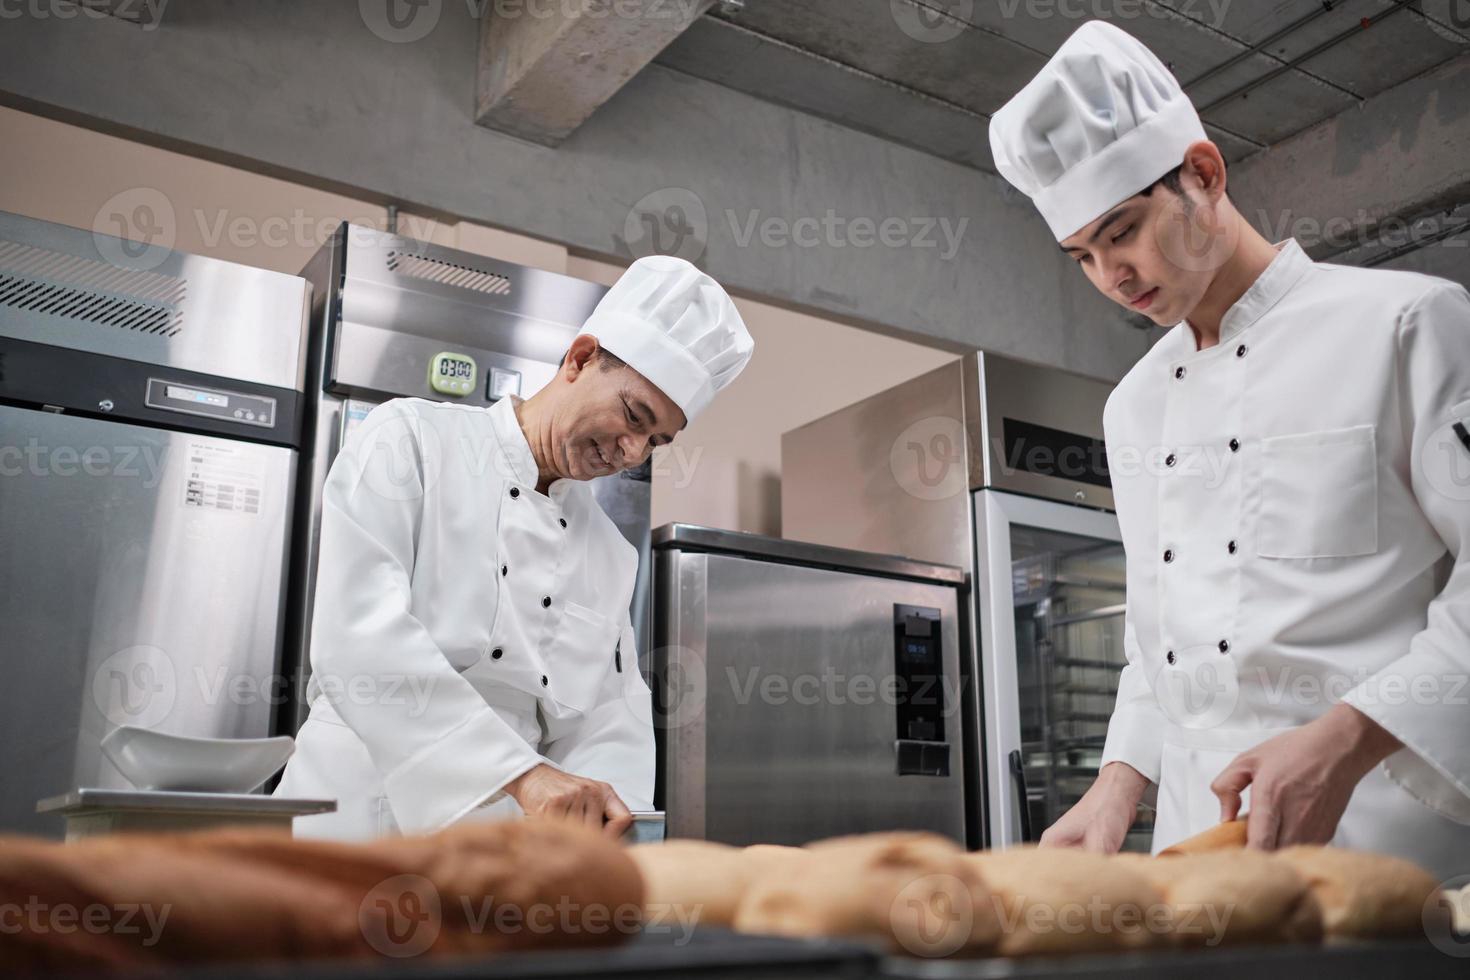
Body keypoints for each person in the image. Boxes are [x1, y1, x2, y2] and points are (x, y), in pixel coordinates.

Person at [988, 19, 1470, 875]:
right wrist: (1117, 782)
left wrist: (1350, 739)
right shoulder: (1132, 408)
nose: (1113, 277)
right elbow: (1157, 634)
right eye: (1083, 257)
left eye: (1124, 229)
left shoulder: (1407, 324)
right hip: (1200, 854)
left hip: (1393, 843)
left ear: (1203, 174)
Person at [275, 255, 754, 840]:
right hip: (352, 818)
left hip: (504, 856)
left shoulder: (609, 552)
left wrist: (604, 834)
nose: (632, 452)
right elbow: (358, 640)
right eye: (633, 416)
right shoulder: (410, 442)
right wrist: (524, 775)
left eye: (656, 441)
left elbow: (610, 720)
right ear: (580, 358)